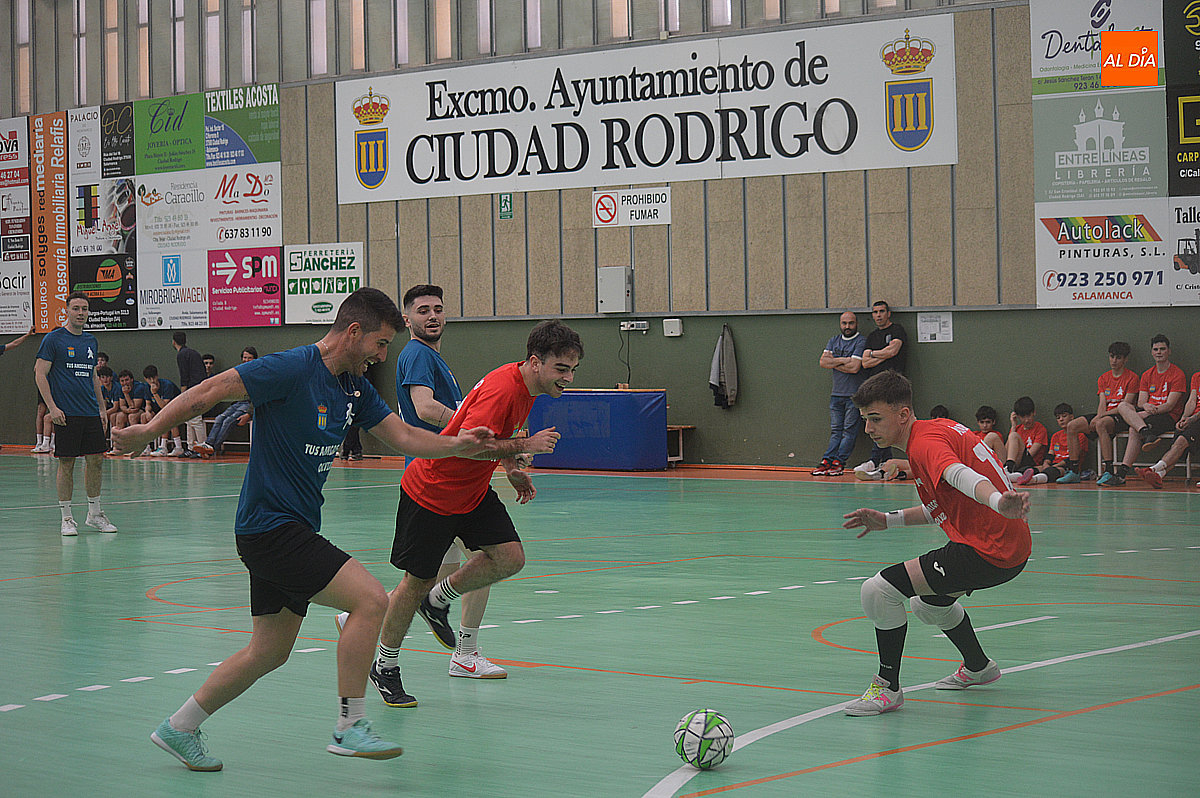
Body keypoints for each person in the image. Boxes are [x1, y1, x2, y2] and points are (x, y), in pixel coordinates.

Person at [111, 287, 501, 772]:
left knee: (268, 650)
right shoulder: (291, 367)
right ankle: (349, 725)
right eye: (380, 344)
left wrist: (463, 443)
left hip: (285, 530)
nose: (384, 355)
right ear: (353, 332)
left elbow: (404, 436)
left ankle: (179, 727)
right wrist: (146, 433)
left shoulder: (353, 387)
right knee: (372, 600)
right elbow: (208, 393)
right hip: (270, 528)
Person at [364, 320, 578, 709]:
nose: (568, 377)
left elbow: (499, 436)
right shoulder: (501, 391)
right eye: (561, 369)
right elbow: (464, 448)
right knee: (414, 583)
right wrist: (527, 444)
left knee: (510, 557)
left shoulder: (527, 386)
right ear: (535, 362)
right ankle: (385, 665)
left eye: (572, 369)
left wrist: (513, 468)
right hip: (432, 492)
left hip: (472, 493)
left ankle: (438, 600)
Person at [337, 284, 509, 681]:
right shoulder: (416, 353)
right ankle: (466, 653)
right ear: (408, 318)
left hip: (440, 475)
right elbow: (423, 406)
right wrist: (470, 428)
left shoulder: (430, 356)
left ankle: (357, 620)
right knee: (484, 561)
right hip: (438, 479)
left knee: (427, 580)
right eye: (422, 310)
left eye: (438, 309)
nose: (432, 316)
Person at [840, 370, 1031, 716]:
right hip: (1007, 548)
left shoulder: (925, 444)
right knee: (928, 604)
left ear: (902, 414)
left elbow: (961, 475)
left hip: (987, 550)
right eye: (865, 419)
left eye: (875, 419)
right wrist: (888, 520)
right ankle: (978, 666)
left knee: (879, 590)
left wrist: (998, 501)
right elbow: (943, 505)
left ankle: (887, 688)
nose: (868, 428)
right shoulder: (935, 430)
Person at [32, 293, 118, 536]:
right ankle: (67, 518)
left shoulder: (91, 341)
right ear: (67, 311)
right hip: (66, 413)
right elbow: (39, 373)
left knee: (96, 461)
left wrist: (102, 409)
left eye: (85, 309)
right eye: (76, 308)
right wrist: (52, 407)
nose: (81, 313)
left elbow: (92, 377)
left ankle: (95, 514)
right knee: (67, 463)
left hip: (90, 411)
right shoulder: (54, 339)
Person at [1102, 334, 1187, 486]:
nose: (1159, 352)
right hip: (1147, 413)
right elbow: (1141, 401)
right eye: (1156, 349)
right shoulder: (1148, 374)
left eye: (1162, 349)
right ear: (1152, 352)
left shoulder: (1177, 374)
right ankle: (1146, 434)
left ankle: (1121, 474)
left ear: (1169, 351)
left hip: (1168, 416)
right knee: (1122, 406)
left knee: (1134, 427)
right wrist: (1146, 407)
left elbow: (1170, 405)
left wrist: (1146, 411)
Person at [1058, 341, 1138, 484]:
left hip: (1121, 416)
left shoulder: (1132, 378)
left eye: (1118, 357)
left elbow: (1125, 405)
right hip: (1104, 414)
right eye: (1112, 356)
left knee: (1100, 424)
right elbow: (1102, 402)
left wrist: (1101, 417)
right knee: (1072, 426)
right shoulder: (1103, 378)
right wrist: (1098, 415)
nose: (1114, 361)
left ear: (1125, 359)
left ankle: (1108, 471)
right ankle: (1074, 471)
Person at [854, 301, 908, 480]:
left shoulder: (898, 330)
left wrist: (873, 354)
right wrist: (882, 354)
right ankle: (882, 468)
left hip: (893, 387)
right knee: (878, 426)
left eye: (881, 311)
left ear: (888, 313)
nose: (878, 315)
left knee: (887, 425)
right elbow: (865, 362)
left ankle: (874, 461)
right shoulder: (872, 336)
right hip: (875, 387)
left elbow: (893, 351)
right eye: (875, 312)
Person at [814, 311, 866, 477]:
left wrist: (834, 361)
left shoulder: (861, 341)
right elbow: (823, 362)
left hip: (853, 395)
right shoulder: (833, 340)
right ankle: (827, 461)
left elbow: (855, 367)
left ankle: (838, 463)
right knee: (836, 430)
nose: (847, 326)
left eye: (850, 323)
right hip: (836, 394)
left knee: (848, 431)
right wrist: (845, 359)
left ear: (856, 323)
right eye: (844, 323)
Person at [1137, 367, 1200, 488]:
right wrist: (1184, 417)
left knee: (1181, 442)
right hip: (1191, 420)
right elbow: (1192, 401)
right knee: (1177, 445)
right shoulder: (1196, 377)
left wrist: (1192, 419)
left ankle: (1152, 469)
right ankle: (1159, 475)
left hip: (1197, 419)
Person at [193, 347, 258, 457]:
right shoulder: (239, 371)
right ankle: (208, 445)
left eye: (249, 358)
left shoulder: (257, 372)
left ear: (255, 359)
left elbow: (258, 395)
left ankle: (212, 448)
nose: (246, 360)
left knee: (228, 421)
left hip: (249, 405)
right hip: (238, 403)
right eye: (245, 357)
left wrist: (249, 413)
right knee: (219, 418)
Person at [1015, 403, 1088, 485]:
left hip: (1067, 467)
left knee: (1052, 471)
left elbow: (1075, 457)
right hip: (1054, 464)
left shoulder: (1080, 435)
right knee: (1030, 469)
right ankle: (1013, 477)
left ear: (1071, 417)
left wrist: (1054, 466)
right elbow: (1050, 454)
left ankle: (1033, 480)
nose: (1061, 419)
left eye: (1064, 416)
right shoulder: (1056, 436)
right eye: (1058, 417)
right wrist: (1046, 463)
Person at [173, 332, 208, 455]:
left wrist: (183, 393)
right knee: (189, 419)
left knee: (196, 419)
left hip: (194, 389)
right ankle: (191, 448)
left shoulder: (182, 354)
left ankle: (202, 447)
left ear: (173, 342)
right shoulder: (192, 353)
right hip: (199, 388)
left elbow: (184, 375)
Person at [143, 365, 184, 456]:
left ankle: (175, 447)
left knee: (167, 416)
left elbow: (164, 406)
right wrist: (147, 412)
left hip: (178, 408)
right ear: (145, 379)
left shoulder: (167, 385)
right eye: (149, 379)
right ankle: (146, 447)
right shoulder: (146, 387)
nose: (152, 381)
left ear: (157, 376)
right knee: (143, 416)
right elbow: (148, 404)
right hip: (161, 410)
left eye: (153, 377)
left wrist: (154, 393)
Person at [1003, 396, 1047, 480]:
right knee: (992, 437)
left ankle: (1009, 469)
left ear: (1034, 412)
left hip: (1028, 462)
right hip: (1013, 462)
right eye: (1023, 417)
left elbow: (1031, 454)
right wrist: (1013, 426)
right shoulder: (1017, 429)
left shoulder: (1040, 429)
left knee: (1014, 436)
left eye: (1028, 416)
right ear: (1018, 416)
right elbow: (1006, 451)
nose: (1026, 420)